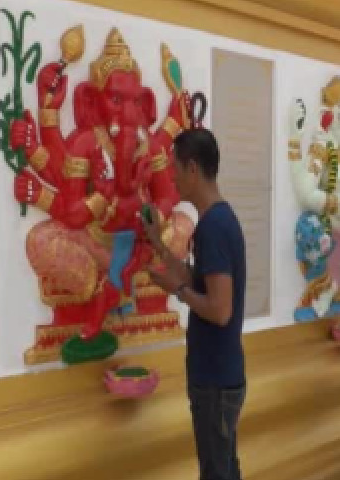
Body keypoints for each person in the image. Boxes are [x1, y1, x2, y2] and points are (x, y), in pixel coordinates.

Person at [144, 128, 247, 480]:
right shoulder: (218, 220)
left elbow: (220, 310)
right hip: (219, 374)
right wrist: (160, 247)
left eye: (174, 168)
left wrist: (176, 291)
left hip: (215, 380)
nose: (171, 177)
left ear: (192, 169)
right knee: (225, 468)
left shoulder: (213, 228)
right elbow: (201, 280)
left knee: (217, 471)